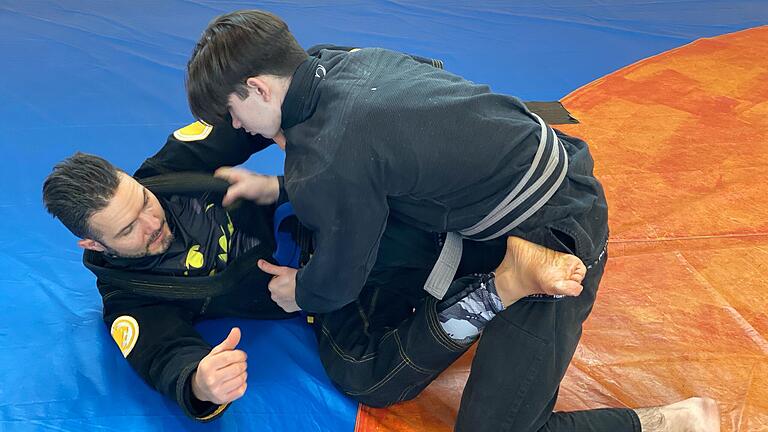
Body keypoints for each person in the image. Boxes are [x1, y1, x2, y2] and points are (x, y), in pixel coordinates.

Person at [185, 9, 721, 432]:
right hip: (539, 169)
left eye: (234, 112)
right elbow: (413, 118)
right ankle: (497, 281)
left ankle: (678, 421)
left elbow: (339, 279)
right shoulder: (343, 59)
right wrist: (285, 185)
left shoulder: (326, 155)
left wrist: (302, 289)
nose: (239, 127)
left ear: (258, 87)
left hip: (558, 233)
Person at [42, 120, 591, 424]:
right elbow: (162, 356)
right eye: (128, 229)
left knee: (382, 178)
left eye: (142, 202)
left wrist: (302, 121)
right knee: (363, 377)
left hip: (332, 215)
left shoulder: (170, 171)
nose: (150, 220)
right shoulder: (131, 296)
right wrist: (199, 382)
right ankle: (497, 288)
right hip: (313, 290)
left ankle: (522, 199)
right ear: (95, 244)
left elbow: (245, 111)